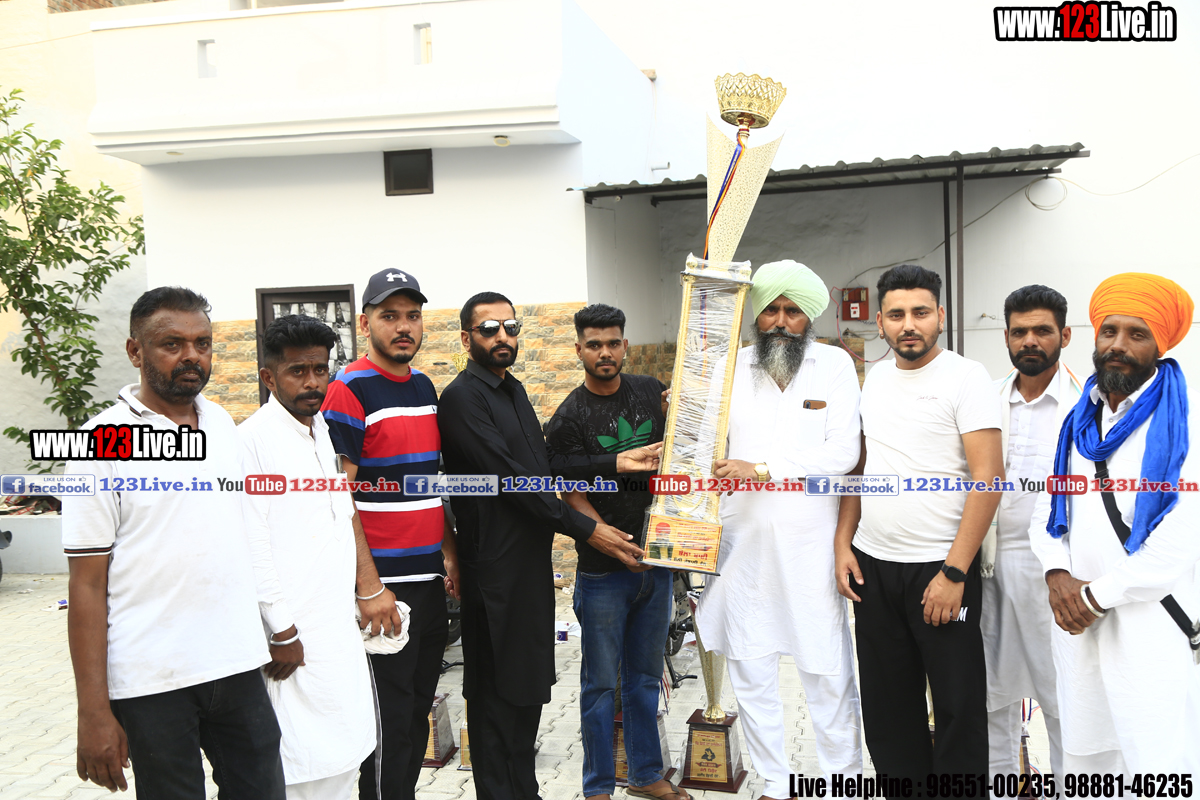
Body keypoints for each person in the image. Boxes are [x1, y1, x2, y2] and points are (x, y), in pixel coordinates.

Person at [63, 287, 285, 798]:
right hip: (151, 679)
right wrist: (93, 711)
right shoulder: (101, 444)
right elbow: (86, 586)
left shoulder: (222, 425)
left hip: (237, 664)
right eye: (172, 344)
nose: (191, 356)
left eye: (202, 343)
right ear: (135, 351)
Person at [438, 291, 660, 800]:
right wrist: (588, 530)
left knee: (526, 690)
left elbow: (546, 470)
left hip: (529, 567)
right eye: (489, 329)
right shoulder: (462, 399)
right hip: (494, 572)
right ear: (467, 338)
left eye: (510, 327)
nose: (502, 336)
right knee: (495, 697)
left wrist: (614, 464)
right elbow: (515, 483)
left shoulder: (512, 389)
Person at [695, 260, 864, 791]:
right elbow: (706, 449)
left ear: (809, 317)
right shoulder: (728, 368)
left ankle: (843, 782)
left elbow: (844, 452)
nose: (782, 321)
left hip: (812, 546)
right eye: (771, 310)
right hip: (742, 545)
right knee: (751, 669)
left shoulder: (833, 365)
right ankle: (775, 784)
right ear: (757, 314)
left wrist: (763, 469)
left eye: (793, 311)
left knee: (827, 671)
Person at [834, 264, 1003, 778]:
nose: (909, 325)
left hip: (940, 569)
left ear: (940, 317)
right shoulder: (875, 379)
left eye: (921, 313)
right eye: (897, 315)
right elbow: (862, 468)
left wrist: (954, 572)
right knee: (888, 711)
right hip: (874, 567)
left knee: (957, 709)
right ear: (880, 322)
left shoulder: (966, 377)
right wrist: (843, 544)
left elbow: (989, 477)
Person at [1029, 272, 1199, 774]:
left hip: (1150, 627)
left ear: (1159, 345)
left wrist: (1092, 597)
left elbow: (1176, 543)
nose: (1118, 345)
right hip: (1078, 628)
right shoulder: (1078, 421)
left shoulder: (1185, 426)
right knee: (1087, 760)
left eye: (1136, 334)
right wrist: (1057, 575)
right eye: (1109, 331)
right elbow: (1047, 509)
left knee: (1156, 762)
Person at [320, 268, 458, 800]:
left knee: (417, 713)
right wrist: (369, 586)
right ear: (364, 323)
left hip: (427, 582)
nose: (404, 327)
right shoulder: (348, 391)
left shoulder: (423, 386)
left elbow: (429, 483)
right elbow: (337, 497)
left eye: (412, 316)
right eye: (389, 316)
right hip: (385, 592)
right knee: (388, 723)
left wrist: (450, 554)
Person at [544, 304, 682, 800]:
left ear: (624, 344)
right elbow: (567, 487)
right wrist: (603, 535)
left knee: (644, 679)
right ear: (578, 349)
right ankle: (598, 786)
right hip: (603, 572)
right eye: (594, 344)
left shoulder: (648, 391)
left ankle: (645, 775)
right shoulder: (568, 417)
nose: (605, 352)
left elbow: (681, 445)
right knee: (600, 685)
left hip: (657, 562)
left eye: (613, 343)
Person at [239, 315, 376, 799]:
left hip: (334, 627)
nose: (313, 382)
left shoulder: (321, 429)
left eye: (321, 370)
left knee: (343, 758)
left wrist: (367, 589)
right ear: (269, 377)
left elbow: (341, 515)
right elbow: (252, 543)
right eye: (298, 371)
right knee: (296, 770)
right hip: (291, 639)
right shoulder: (252, 441)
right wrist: (282, 630)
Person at [980, 285, 1082, 778]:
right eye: (1019, 332)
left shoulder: (1088, 406)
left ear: (1065, 335)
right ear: (1005, 337)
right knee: (990, 698)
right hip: (990, 569)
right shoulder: (986, 400)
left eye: (1042, 330)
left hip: (1059, 575)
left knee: (1065, 702)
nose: (1030, 341)